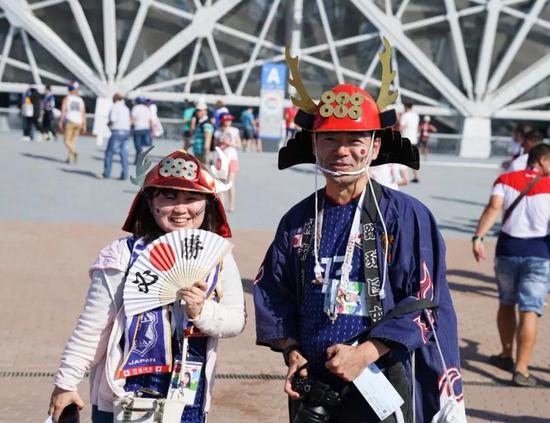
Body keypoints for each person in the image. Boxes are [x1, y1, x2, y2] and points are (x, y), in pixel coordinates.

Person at [254, 41, 464, 422]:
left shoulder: (406, 215)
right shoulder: (298, 219)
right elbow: (273, 291)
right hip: (312, 379)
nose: (342, 151)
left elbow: (424, 301)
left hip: (383, 375)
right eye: (330, 139)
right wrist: (293, 351)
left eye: (354, 140)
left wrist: (364, 353)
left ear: (375, 145)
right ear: (313, 144)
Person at [48, 149, 246, 423]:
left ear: (207, 204)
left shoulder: (219, 258)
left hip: (188, 397)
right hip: (121, 397)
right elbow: (91, 329)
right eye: (168, 196)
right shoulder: (122, 256)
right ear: (150, 202)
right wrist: (66, 384)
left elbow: (235, 321)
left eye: (192, 197)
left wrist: (202, 312)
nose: (180, 208)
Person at [472, 143, 550, 387]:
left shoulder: (505, 178)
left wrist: (479, 237)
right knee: (529, 309)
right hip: (539, 252)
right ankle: (522, 369)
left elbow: (494, 207)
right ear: (543, 161)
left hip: (507, 250)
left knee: (506, 302)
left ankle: (506, 354)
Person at [100, 93, 131, 180]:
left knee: (109, 153)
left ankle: (106, 173)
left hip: (117, 132)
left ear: (114, 99)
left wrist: (108, 124)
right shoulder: (126, 108)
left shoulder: (115, 107)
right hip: (126, 132)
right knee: (124, 154)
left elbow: (113, 119)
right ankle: (124, 175)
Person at [215, 113, 242, 213]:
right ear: (222, 120)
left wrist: (229, 143)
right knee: (221, 184)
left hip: (232, 158)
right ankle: (221, 206)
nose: (228, 121)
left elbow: (239, 145)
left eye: (230, 120)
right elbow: (215, 146)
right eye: (226, 120)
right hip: (220, 159)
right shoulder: (218, 132)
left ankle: (231, 205)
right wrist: (222, 144)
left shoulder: (234, 131)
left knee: (230, 183)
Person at [59, 81, 86, 164]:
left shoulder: (67, 98)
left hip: (70, 120)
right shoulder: (80, 100)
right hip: (79, 122)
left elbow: (63, 110)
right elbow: (83, 113)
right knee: (73, 141)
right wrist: (84, 125)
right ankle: (70, 159)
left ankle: (74, 152)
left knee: (66, 140)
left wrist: (61, 121)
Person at [399, 103, 419, 182]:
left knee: (402, 159)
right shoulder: (416, 116)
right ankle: (416, 176)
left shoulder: (405, 116)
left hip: (406, 139)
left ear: (406, 107)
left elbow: (401, 128)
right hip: (414, 139)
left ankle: (404, 177)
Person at [131, 96, 153, 164]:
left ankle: (141, 159)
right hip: (146, 129)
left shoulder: (135, 108)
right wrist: (151, 130)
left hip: (138, 129)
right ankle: (140, 160)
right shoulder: (147, 109)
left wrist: (130, 126)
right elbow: (150, 121)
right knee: (144, 146)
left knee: (138, 146)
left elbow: (133, 119)